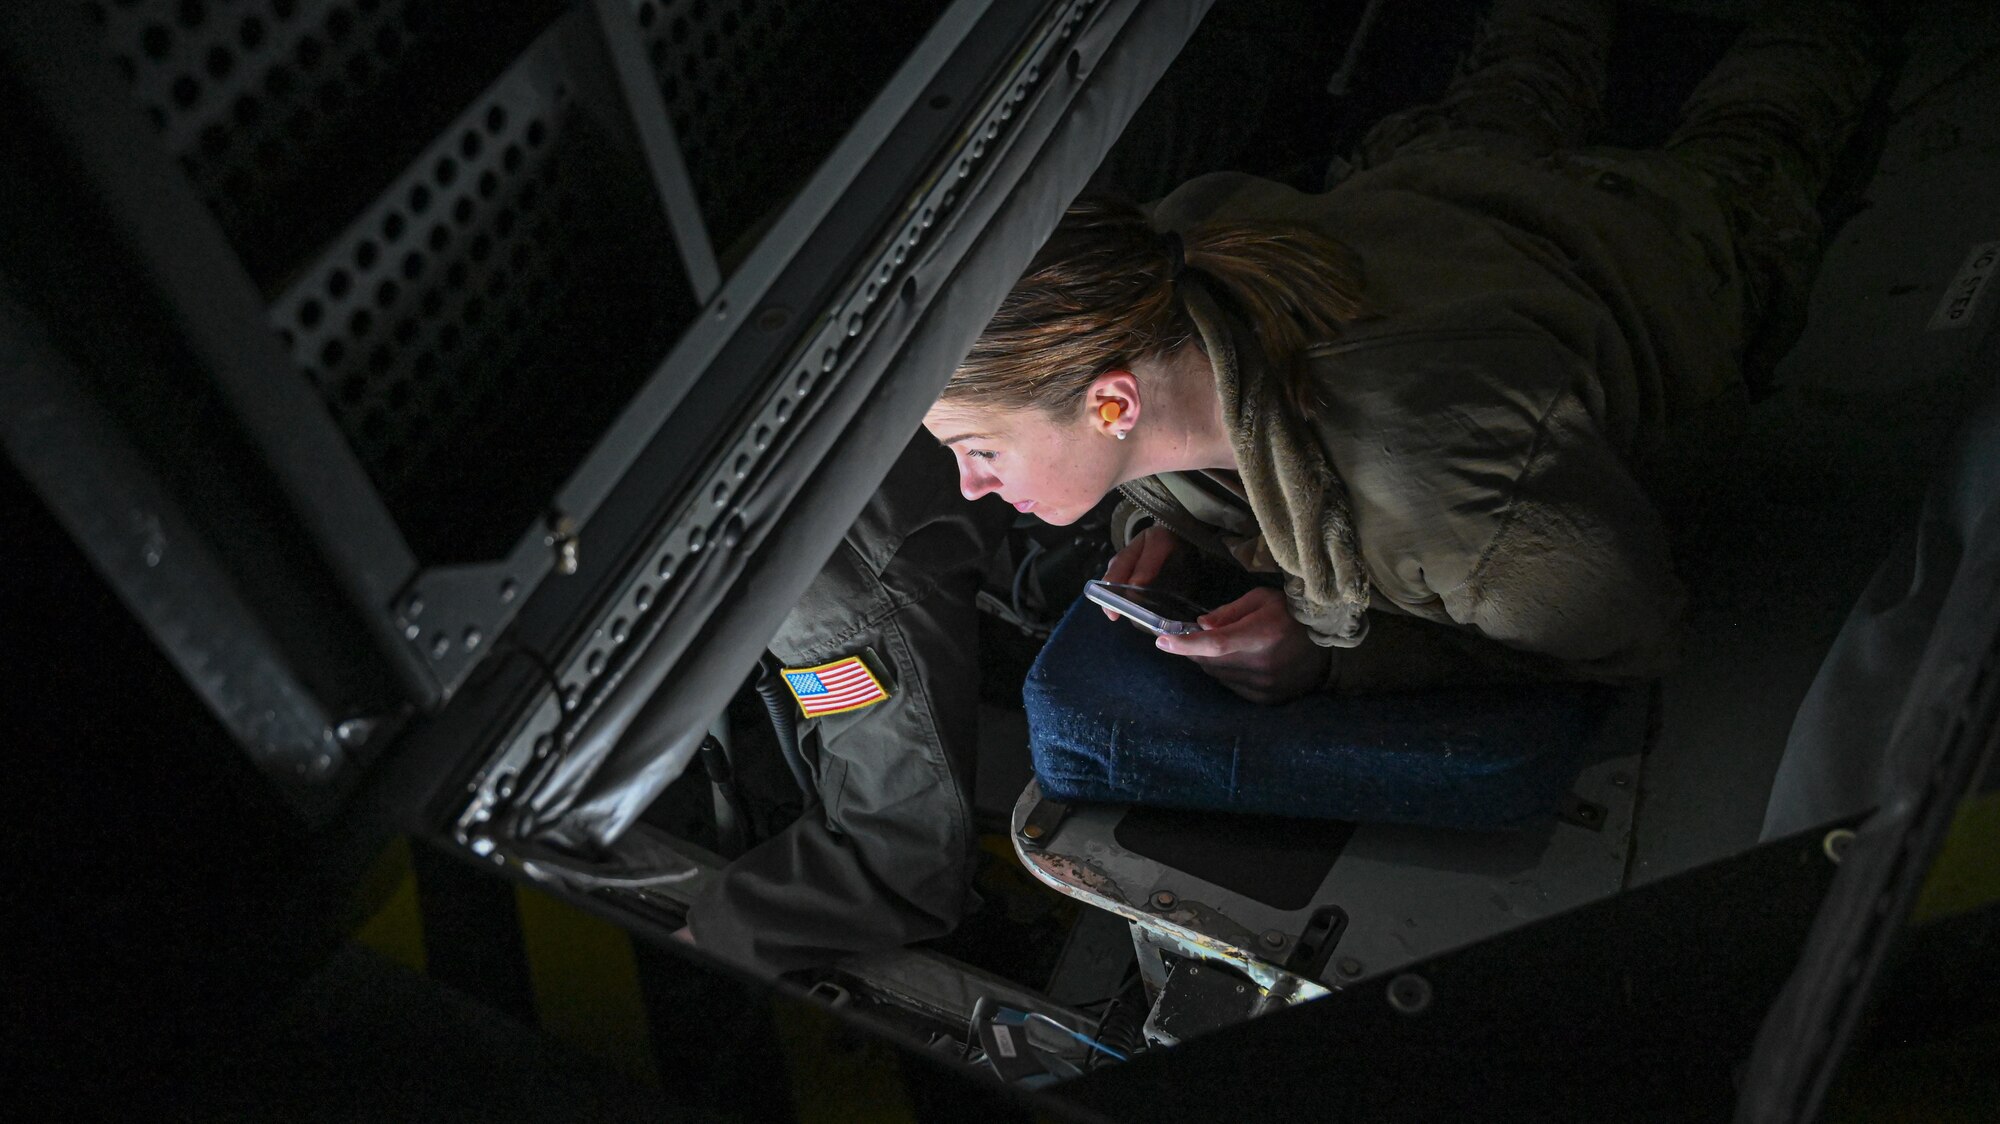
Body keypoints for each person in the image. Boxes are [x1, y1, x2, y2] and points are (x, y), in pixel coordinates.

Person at [924, 0, 1886, 703]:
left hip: (1644, 250)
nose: (969, 485)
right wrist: (1167, 532)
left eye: (982, 448)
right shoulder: (1164, 265)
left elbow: (1628, 637)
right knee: (1525, 62)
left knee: (1771, 109)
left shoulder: (1453, 500)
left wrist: (1326, 657)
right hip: (1443, 197)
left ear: (1114, 405)